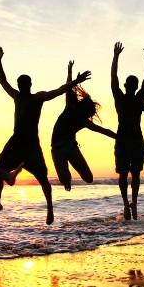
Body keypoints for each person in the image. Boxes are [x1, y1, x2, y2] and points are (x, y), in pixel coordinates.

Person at [0, 47, 91, 225]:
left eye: (25, 84)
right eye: (20, 84)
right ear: (19, 85)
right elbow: (2, 81)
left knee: (43, 179)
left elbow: (60, 90)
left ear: (29, 85)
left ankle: (50, 208)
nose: (22, 86)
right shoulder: (16, 96)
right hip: (15, 141)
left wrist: (76, 80)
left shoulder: (37, 98)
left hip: (31, 144)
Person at [51, 60, 117, 191]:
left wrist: (119, 136)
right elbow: (68, 87)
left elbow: (103, 130)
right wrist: (70, 72)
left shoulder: (83, 121)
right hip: (57, 149)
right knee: (64, 180)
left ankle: (69, 171)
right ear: (82, 105)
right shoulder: (71, 104)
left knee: (89, 178)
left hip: (71, 147)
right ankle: (66, 178)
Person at [111, 42, 144, 221]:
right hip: (129, 138)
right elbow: (114, 77)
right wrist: (116, 56)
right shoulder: (123, 97)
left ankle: (130, 203)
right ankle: (128, 203)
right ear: (130, 85)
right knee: (128, 174)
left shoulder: (133, 97)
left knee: (129, 173)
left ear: (129, 85)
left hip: (131, 138)